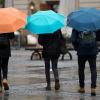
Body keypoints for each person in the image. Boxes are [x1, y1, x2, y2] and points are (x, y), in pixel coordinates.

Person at [71, 29, 98, 96]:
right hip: (92, 51)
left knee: (81, 70)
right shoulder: (94, 24)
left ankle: (82, 88)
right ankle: (93, 88)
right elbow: (98, 37)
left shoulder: (77, 25)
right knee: (93, 69)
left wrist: (77, 47)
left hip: (81, 51)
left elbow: (73, 39)